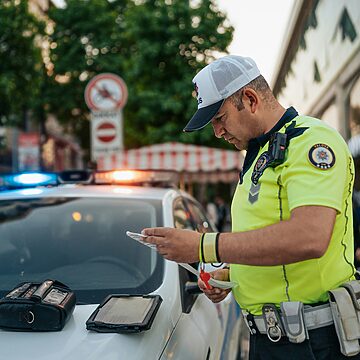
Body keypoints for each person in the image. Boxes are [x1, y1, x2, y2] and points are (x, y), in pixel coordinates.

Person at [142, 55, 359, 359]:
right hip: (277, 338)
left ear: (250, 99)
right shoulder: (261, 153)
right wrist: (234, 276)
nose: (217, 132)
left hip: (313, 341)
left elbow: (309, 237)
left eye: (219, 118)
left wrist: (204, 246)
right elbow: (271, 240)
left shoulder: (309, 141)